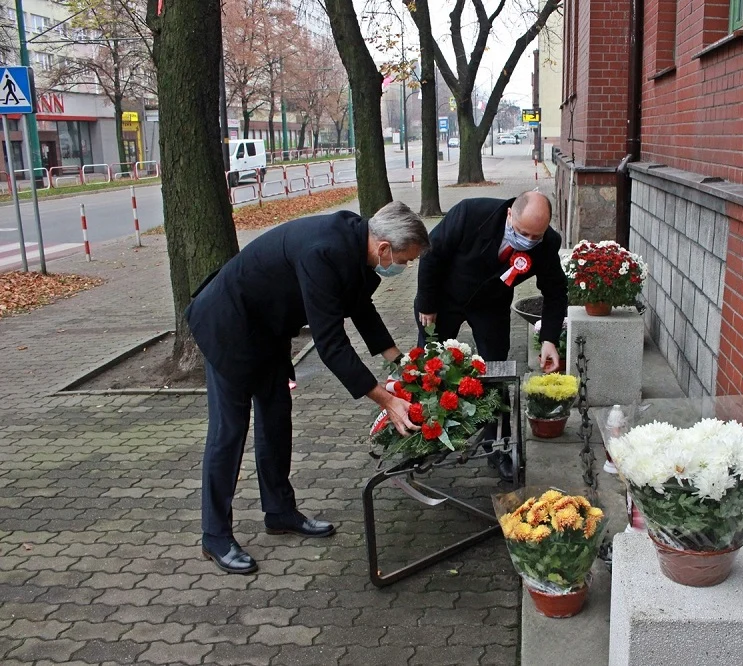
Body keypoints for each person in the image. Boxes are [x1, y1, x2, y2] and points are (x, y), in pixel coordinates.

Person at [186, 201, 429, 574]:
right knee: (228, 431)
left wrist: (401, 362)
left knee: (276, 418)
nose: (404, 267)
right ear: (384, 249)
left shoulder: (355, 243)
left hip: (266, 329)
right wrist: (385, 400)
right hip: (228, 324)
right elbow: (331, 344)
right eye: (405, 259)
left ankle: (280, 511)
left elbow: (361, 308)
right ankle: (215, 536)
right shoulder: (324, 252)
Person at [414, 191, 568, 481]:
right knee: (430, 367)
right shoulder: (470, 213)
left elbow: (556, 293)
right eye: (523, 233)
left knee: (497, 371)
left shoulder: (546, 243)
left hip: (491, 306)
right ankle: (425, 437)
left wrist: (549, 339)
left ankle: (497, 444)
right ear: (510, 214)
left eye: (535, 236)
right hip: (444, 299)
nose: (529, 241)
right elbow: (431, 252)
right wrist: (426, 303)